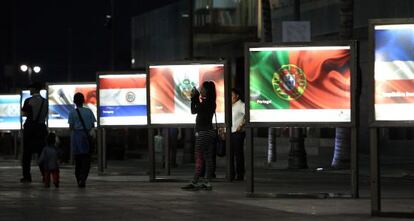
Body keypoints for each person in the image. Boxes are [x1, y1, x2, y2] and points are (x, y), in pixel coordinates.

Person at [182, 81, 216, 191]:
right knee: (207, 157)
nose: (201, 91)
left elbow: (199, 109)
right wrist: (194, 98)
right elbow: (193, 111)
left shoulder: (208, 103)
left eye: (203, 89)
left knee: (199, 156)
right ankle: (207, 182)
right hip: (208, 132)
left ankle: (195, 181)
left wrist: (195, 98)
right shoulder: (209, 102)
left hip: (204, 133)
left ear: (208, 91)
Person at [21, 82, 48, 183]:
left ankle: (27, 176)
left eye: (31, 88)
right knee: (42, 153)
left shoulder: (28, 101)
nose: (29, 90)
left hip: (30, 129)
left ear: (35, 89)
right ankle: (44, 175)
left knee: (26, 154)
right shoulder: (45, 102)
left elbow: (25, 114)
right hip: (41, 129)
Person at [68, 92, 96, 188]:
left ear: (74, 101)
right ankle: (83, 178)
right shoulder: (89, 111)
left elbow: (71, 127)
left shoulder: (72, 112)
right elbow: (93, 125)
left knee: (78, 160)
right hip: (87, 137)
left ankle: (79, 178)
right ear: (83, 101)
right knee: (86, 159)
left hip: (76, 137)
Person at [231, 88, 245, 181]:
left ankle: (240, 174)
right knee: (230, 154)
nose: (230, 98)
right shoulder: (229, 105)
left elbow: (248, 115)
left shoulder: (241, 105)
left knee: (238, 154)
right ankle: (231, 174)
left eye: (232, 95)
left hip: (238, 133)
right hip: (229, 132)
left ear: (237, 96)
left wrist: (241, 125)